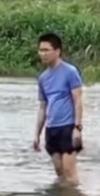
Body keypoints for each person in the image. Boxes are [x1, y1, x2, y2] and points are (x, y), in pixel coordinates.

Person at [32, 32, 84, 183]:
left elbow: (78, 100)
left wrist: (78, 128)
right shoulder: (43, 78)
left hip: (68, 127)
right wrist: (37, 134)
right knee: (60, 173)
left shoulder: (70, 72)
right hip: (52, 129)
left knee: (69, 172)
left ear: (57, 51)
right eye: (40, 50)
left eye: (46, 50)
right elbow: (43, 107)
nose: (42, 54)